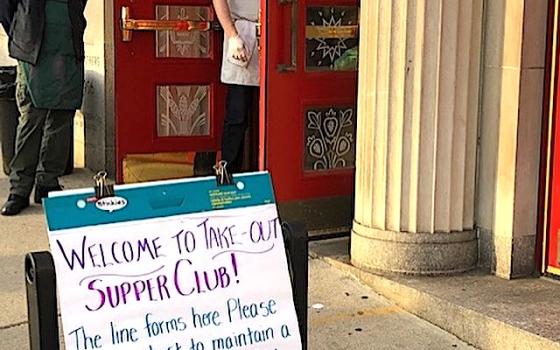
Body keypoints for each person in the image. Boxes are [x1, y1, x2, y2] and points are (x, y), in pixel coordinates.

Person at [0, 0, 87, 216]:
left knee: (62, 116)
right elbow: (5, 7)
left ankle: (47, 182)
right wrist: (21, 30)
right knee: (31, 119)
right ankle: (19, 190)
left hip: (68, 46)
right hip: (33, 48)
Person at [212, 0, 260, 174]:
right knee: (237, 113)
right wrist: (232, 35)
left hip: (276, 29)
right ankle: (229, 173)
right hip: (242, 32)